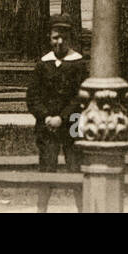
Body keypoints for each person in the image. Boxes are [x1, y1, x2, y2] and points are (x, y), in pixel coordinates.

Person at [26, 16, 86, 172]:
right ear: (49, 38)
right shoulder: (43, 64)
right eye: (55, 37)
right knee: (46, 165)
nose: (59, 42)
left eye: (63, 38)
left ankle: (80, 196)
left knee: (75, 166)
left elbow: (81, 96)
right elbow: (33, 96)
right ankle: (43, 196)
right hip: (46, 124)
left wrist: (62, 118)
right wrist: (46, 116)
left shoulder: (78, 64)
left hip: (73, 121)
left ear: (70, 39)